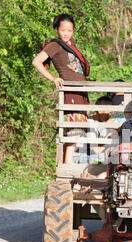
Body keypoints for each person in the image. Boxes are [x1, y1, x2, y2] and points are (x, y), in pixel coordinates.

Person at [32, 13, 89, 164]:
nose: (66, 33)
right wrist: (53, 78)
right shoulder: (55, 45)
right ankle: (67, 165)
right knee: (73, 129)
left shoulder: (72, 44)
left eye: (69, 30)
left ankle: (70, 163)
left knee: (80, 129)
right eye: (63, 30)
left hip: (80, 91)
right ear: (57, 29)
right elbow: (36, 61)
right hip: (69, 91)